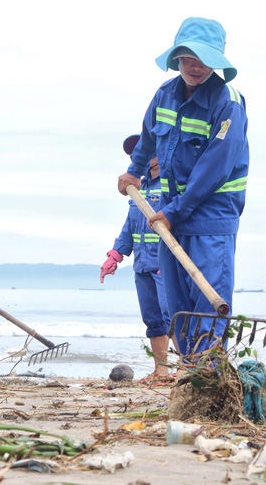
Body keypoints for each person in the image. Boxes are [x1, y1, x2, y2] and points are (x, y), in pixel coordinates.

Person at [117, 17, 249, 358]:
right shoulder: (164, 95)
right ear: (177, 57)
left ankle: (210, 379)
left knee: (207, 307)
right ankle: (190, 377)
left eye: (204, 58)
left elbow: (213, 169)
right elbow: (147, 139)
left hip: (210, 220)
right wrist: (133, 172)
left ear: (217, 60)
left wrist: (174, 212)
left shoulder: (228, 102)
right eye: (188, 57)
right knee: (178, 310)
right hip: (172, 215)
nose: (195, 65)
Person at [101, 134, 175, 379]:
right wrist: (115, 254)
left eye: (142, 153)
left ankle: (187, 369)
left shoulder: (171, 185)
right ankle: (161, 371)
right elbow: (130, 225)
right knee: (153, 319)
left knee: (172, 316)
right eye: (133, 155)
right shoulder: (137, 188)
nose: (137, 158)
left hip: (165, 262)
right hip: (142, 264)